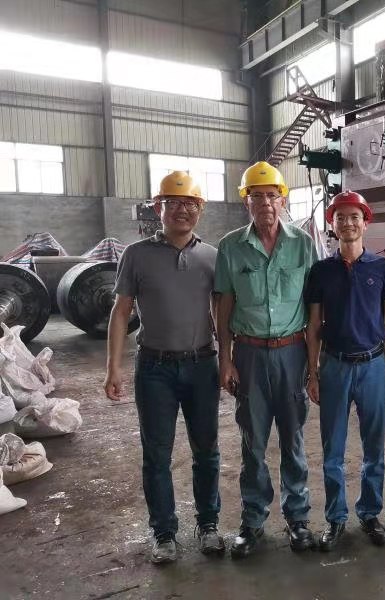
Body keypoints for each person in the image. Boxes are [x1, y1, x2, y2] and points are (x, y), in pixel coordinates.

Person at [104, 171, 224, 564]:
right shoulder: (136, 255)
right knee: (157, 455)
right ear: (159, 208)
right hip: (155, 369)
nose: (181, 210)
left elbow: (221, 313)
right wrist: (113, 368)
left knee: (207, 450)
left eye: (190, 203)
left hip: (202, 365)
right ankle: (164, 533)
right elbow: (121, 312)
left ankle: (208, 525)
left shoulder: (212, 257)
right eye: (173, 203)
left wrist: (227, 360)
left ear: (200, 209)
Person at [214, 161, 317, 558]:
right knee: (253, 443)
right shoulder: (230, 247)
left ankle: (298, 519)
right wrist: (226, 359)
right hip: (250, 355)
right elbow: (223, 306)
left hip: (292, 353)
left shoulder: (303, 244)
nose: (265, 203)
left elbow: (314, 308)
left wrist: (313, 364)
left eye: (272, 196)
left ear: (282, 200)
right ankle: (253, 521)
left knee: (293, 439)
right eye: (256, 196)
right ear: (247, 202)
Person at [304, 191, 385, 551]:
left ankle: (370, 513)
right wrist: (313, 372)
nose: (347, 223)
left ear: (365, 222)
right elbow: (313, 325)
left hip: (373, 365)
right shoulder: (321, 271)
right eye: (340, 217)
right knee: (333, 449)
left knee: (374, 446)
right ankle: (336, 518)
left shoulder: (382, 269)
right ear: (333, 224)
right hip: (334, 366)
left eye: (354, 217)